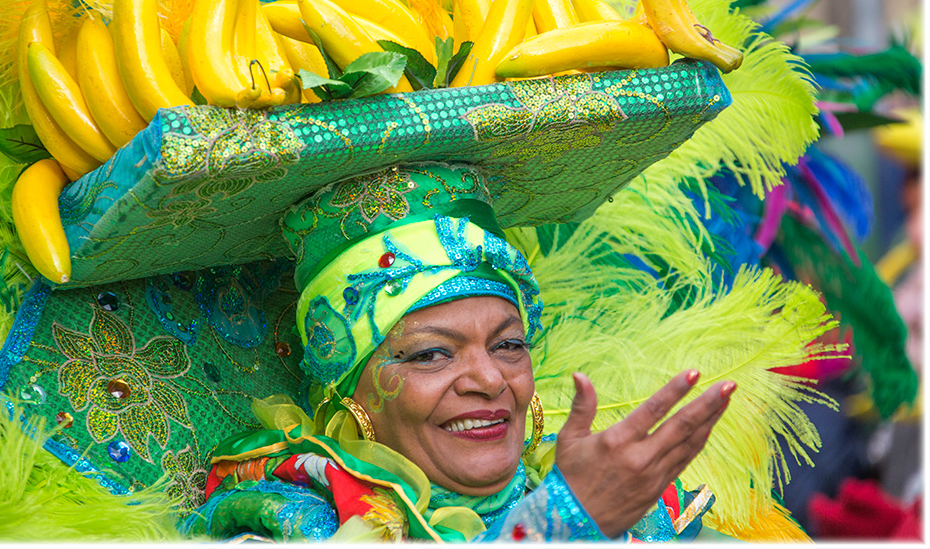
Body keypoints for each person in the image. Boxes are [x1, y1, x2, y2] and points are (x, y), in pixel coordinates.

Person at [184, 163, 735, 542]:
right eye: (430, 355)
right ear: (350, 392)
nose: (490, 379)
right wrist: (559, 524)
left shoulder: (642, 509)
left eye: (509, 345)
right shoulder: (280, 521)